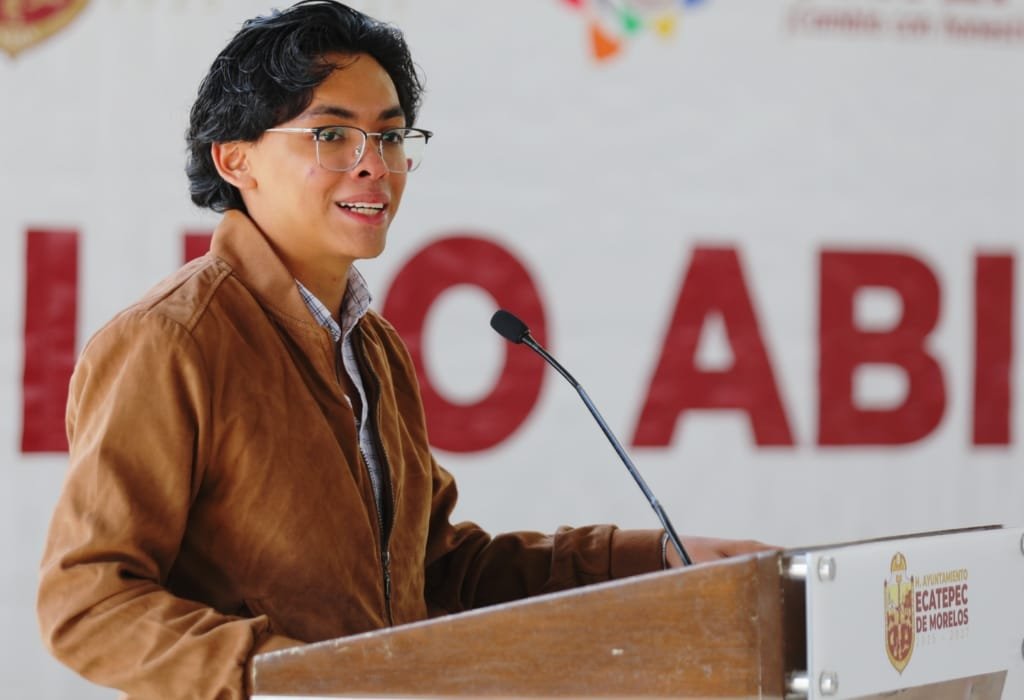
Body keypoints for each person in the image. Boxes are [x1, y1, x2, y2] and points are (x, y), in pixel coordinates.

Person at [36, 2, 769, 698]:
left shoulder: (372, 345)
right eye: (332, 136)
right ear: (235, 160)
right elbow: (88, 602)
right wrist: (306, 682)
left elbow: (439, 573)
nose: (373, 165)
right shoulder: (171, 340)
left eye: (390, 137)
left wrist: (656, 560)